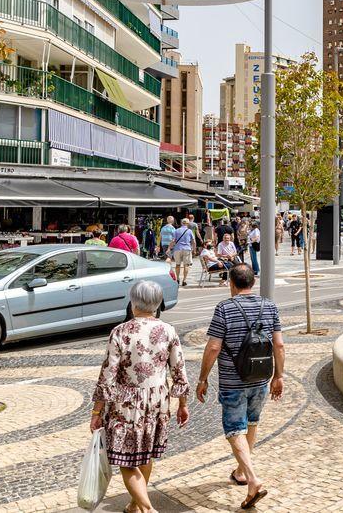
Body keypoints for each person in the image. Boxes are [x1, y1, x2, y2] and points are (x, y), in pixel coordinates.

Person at [91, 281, 190, 513]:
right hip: (158, 400)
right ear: (157, 304)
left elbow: (108, 375)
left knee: (125, 459)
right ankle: (135, 505)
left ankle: (147, 509)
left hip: (126, 401)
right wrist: (182, 404)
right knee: (145, 454)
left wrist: (97, 411)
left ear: (133, 302)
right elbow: (179, 371)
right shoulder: (169, 330)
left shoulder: (120, 332)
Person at [196, 264, 284, 510]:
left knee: (235, 429)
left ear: (231, 284)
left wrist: (203, 379)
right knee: (251, 422)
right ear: (253, 283)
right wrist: (279, 376)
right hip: (261, 378)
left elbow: (214, 347)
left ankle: (253, 479)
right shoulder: (270, 306)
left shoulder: (224, 308)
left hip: (233, 381)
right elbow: (279, 345)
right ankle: (241, 472)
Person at [167, 218, 197, 287]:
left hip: (177, 249)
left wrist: (169, 248)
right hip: (187, 249)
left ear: (181, 223)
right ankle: (184, 280)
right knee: (186, 265)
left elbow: (173, 240)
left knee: (177, 265)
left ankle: (177, 279)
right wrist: (194, 250)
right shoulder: (189, 231)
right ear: (188, 223)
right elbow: (193, 242)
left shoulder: (176, 230)